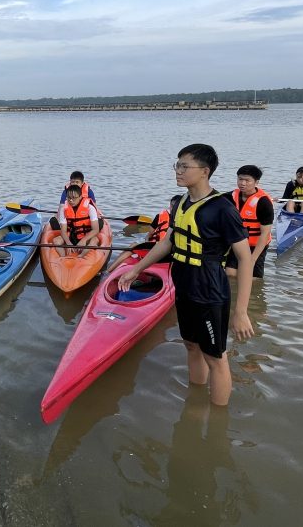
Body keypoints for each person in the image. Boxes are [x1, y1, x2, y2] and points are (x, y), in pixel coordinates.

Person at [118, 144, 254, 406]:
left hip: (209, 288)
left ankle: (217, 422)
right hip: (184, 283)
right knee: (191, 345)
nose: (178, 171)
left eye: (184, 166)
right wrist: (136, 268)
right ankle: (195, 400)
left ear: (204, 171)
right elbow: (167, 242)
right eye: (177, 165)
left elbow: (245, 259)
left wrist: (241, 311)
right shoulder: (180, 203)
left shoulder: (223, 209)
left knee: (215, 356)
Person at [225, 165, 274, 279]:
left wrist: (252, 260)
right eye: (240, 179)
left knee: (254, 278)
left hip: (257, 244)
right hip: (238, 242)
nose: (242, 183)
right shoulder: (230, 196)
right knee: (230, 273)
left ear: (256, 182)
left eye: (247, 180)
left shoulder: (264, 202)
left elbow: (265, 234)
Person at [105, 208, 170, 273]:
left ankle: (109, 270)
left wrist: (147, 240)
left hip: (157, 252)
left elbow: (150, 232)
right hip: (169, 253)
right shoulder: (177, 222)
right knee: (134, 246)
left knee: (132, 247)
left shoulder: (160, 216)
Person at [50, 184, 101, 258]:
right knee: (56, 241)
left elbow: (96, 229)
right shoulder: (64, 209)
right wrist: (68, 242)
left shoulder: (90, 207)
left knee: (94, 240)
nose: (71, 200)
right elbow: (63, 231)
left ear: (80, 197)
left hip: (85, 235)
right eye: (69, 198)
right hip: (71, 235)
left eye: (74, 198)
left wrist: (84, 240)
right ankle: (63, 257)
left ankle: (81, 256)